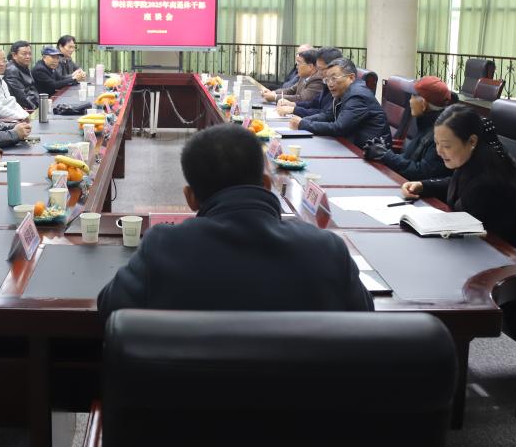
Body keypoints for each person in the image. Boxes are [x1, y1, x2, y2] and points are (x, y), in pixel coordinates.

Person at [98, 124, 373, 318]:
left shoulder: (164, 246)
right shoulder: (326, 249)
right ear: (266, 184)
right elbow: (364, 318)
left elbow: (110, 307)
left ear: (190, 198)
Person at [401, 104, 516, 260]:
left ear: (472, 141)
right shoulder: (474, 160)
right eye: (437, 143)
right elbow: (456, 184)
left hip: (510, 261)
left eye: (446, 145)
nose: (439, 151)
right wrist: (423, 186)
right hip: (481, 251)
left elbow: (474, 236)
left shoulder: (489, 182)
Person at [363, 76, 454, 181]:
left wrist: (386, 156)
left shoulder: (440, 134)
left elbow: (421, 173)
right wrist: (382, 150)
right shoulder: (425, 123)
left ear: (424, 104)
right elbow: (409, 158)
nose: (410, 101)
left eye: (413, 96)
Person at [289, 58, 389, 147]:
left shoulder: (357, 96)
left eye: (334, 78)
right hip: (350, 145)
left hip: (372, 152)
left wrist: (303, 124)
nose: (330, 84)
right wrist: (302, 120)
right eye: (327, 80)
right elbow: (327, 116)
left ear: (351, 78)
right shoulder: (342, 92)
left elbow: (339, 128)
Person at [278, 46, 343, 117]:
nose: (319, 73)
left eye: (321, 69)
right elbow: (314, 103)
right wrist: (293, 104)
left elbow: (325, 114)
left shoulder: (324, 82)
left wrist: (294, 110)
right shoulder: (325, 82)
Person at [0, 47, 31, 121]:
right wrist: (22, 117)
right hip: (0, 122)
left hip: (14, 119)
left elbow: (11, 103)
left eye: (4, 61)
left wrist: (26, 116)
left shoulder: (1, 80)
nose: (2, 64)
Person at [3, 40, 39, 110]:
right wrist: (36, 109)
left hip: (32, 104)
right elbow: (21, 97)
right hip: (22, 109)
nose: (28, 56)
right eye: (24, 54)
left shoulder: (23, 65)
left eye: (29, 53)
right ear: (14, 55)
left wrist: (41, 103)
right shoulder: (11, 70)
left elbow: (33, 89)